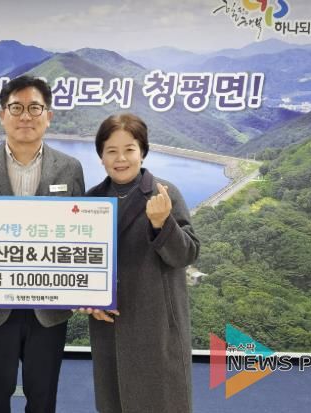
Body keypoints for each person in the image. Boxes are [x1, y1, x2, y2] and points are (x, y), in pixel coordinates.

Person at [0, 75, 85, 413]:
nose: (25, 116)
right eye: (16, 108)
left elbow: (80, 232)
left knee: (43, 399)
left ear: (49, 116)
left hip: (50, 309)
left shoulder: (70, 168)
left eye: (34, 108)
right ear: (2, 115)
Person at [85, 113, 200, 412]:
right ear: (101, 156)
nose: (121, 158)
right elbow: (80, 263)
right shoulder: (90, 200)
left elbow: (187, 254)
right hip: (109, 324)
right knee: (114, 402)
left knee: (160, 402)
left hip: (157, 325)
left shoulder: (164, 193)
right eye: (111, 150)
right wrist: (87, 301)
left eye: (129, 149)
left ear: (143, 152)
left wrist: (163, 223)